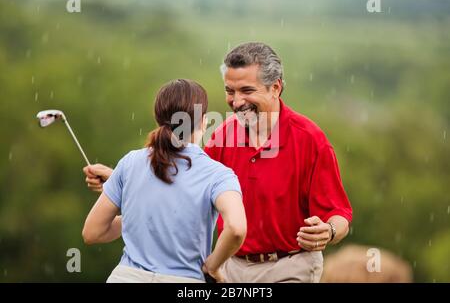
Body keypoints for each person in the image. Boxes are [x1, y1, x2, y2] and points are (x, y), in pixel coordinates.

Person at [85, 42, 353, 283]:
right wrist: (121, 179)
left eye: (247, 90)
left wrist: (327, 231)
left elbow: (340, 214)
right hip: (230, 267)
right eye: (230, 91)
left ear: (276, 88)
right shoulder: (224, 133)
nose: (236, 102)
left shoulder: (310, 140)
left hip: (289, 267)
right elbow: (184, 178)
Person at [82, 79, 247, 283]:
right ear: (204, 121)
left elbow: (93, 232)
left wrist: (142, 217)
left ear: (158, 118)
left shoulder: (130, 162)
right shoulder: (219, 175)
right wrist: (213, 267)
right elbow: (237, 228)